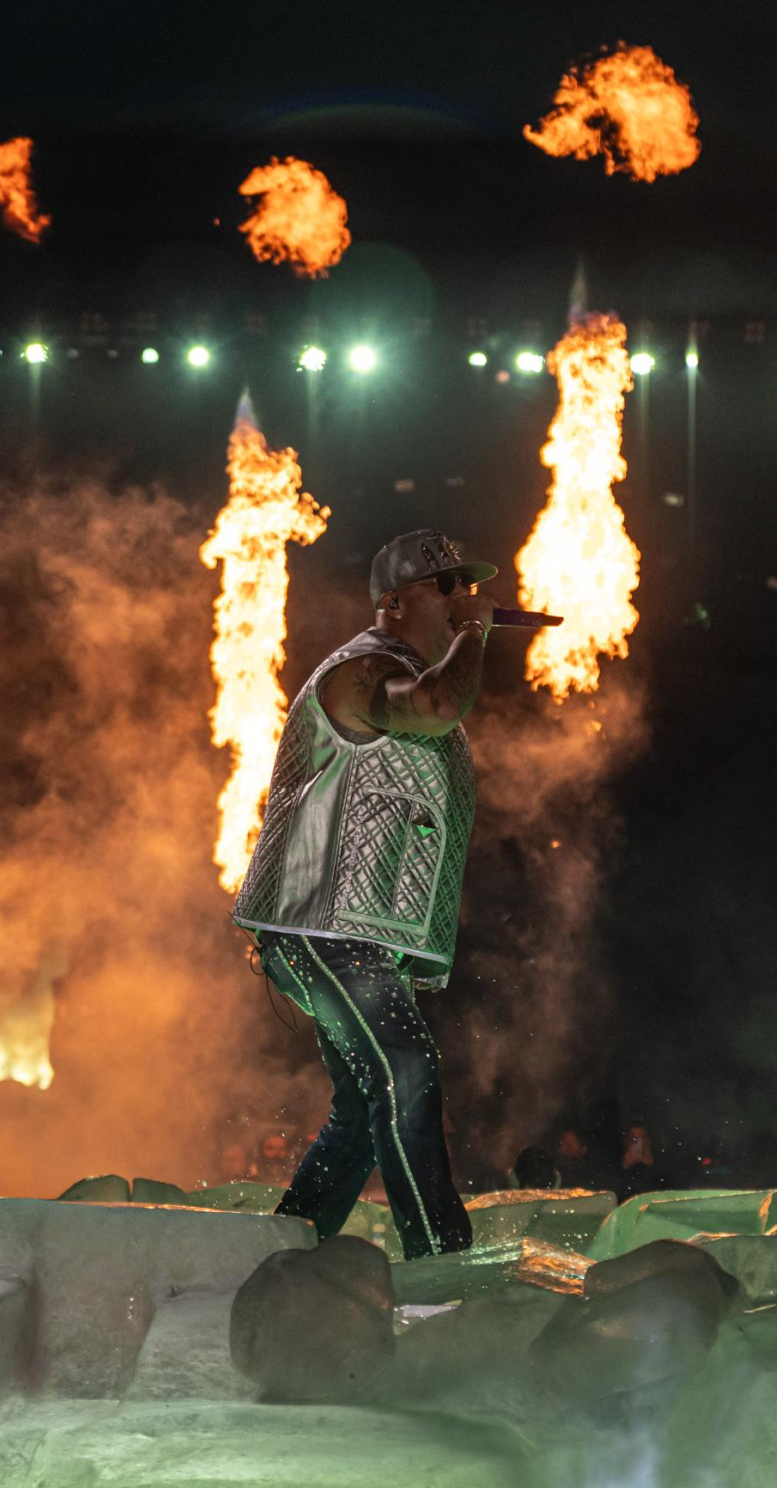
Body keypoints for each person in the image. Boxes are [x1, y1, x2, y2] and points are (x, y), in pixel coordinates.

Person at [231, 529, 501, 1259]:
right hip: (323, 925)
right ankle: (441, 1262)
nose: (463, 599)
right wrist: (476, 631)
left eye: (465, 587)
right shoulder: (359, 672)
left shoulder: (403, 664)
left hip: (353, 931)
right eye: (447, 587)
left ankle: (282, 1254)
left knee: (363, 1104)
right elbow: (440, 704)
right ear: (393, 602)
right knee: (406, 1069)